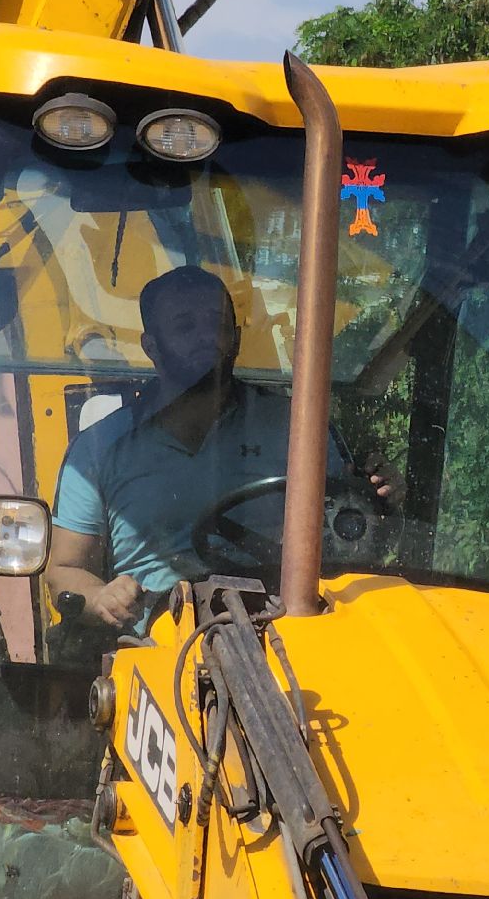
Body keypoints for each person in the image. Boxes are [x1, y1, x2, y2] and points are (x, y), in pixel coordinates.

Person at [45, 265, 393, 629]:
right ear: (151, 346)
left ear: (236, 337)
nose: (205, 337)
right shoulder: (99, 449)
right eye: (185, 327)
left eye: (216, 323)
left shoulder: (298, 431)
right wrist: (102, 596)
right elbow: (64, 570)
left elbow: (353, 532)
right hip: (153, 646)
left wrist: (380, 496)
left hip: (287, 626)